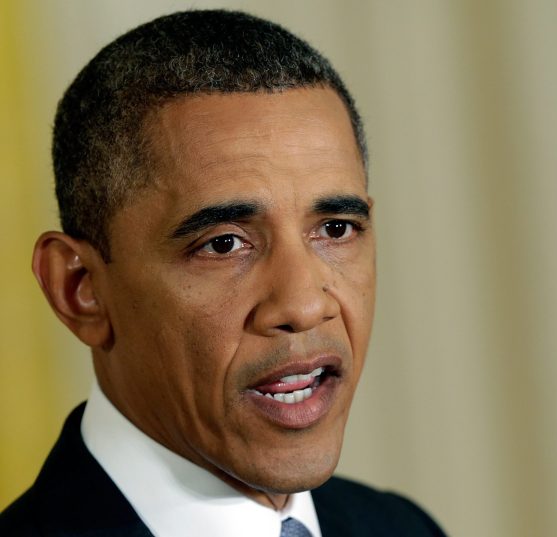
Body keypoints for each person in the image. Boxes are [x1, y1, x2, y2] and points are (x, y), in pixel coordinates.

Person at [0, 9, 445, 537]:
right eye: (224, 243)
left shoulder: (402, 528)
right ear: (80, 290)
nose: (304, 305)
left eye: (336, 229)